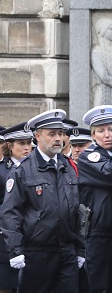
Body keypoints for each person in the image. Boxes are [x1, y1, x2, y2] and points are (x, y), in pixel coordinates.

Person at [0, 109, 84, 292]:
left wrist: (80, 248)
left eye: (60, 133)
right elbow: (11, 212)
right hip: (37, 252)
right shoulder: (23, 170)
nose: (58, 138)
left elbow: (76, 210)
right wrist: (15, 250)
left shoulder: (68, 167)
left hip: (66, 250)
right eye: (51, 134)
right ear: (37, 136)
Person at [78, 105, 112, 293]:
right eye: (101, 131)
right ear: (93, 135)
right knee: (101, 284)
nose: (107, 135)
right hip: (99, 231)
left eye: (111, 129)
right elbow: (111, 174)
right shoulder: (89, 156)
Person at [0, 123, 33, 293]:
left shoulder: (37, 169)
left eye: (29, 143)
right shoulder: (1, 170)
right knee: (7, 285)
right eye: (21, 143)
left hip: (33, 237)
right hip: (6, 240)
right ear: (9, 145)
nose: (27, 148)